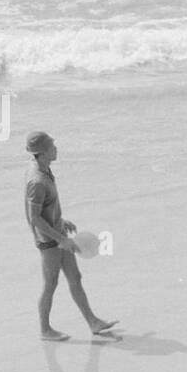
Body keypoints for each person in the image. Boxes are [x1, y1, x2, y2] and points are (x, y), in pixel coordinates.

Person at [23, 131, 117, 343]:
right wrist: (60, 238)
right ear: (43, 152)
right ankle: (45, 330)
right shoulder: (37, 181)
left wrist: (60, 221)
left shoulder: (44, 169)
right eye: (52, 146)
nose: (56, 149)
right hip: (49, 241)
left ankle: (93, 322)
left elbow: (45, 209)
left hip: (58, 233)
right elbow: (35, 218)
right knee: (51, 283)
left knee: (75, 278)